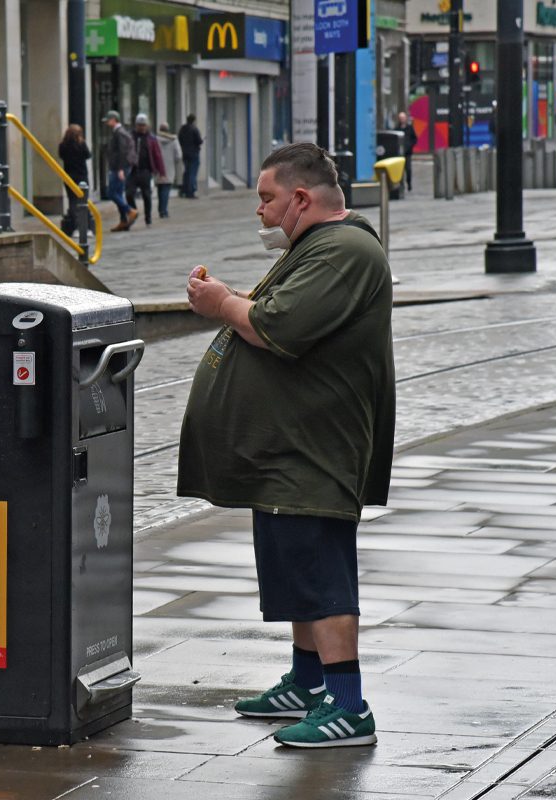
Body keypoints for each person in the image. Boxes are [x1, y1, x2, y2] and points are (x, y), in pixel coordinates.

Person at [179, 142, 395, 749]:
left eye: (268, 198)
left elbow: (280, 326)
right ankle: (306, 684)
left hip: (314, 449)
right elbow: (273, 312)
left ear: (301, 198)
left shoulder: (344, 249)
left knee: (322, 576)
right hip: (289, 451)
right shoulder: (317, 247)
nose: (261, 212)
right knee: (298, 574)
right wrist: (229, 302)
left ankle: (349, 708)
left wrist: (222, 303)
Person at [125, 113, 166, 226]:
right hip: (132, 170)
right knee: (129, 194)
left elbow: (157, 155)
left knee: (146, 195)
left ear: (147, 126)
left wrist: (161, 171)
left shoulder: (151, 138)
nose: (142, 127)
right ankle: (134, 211)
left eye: (143, 125)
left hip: (145, 170)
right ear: (136, 125)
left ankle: (148, 218)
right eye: (139, 125)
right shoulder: (130, 136)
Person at [103, 111, 138, 231]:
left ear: (114, 120)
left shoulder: (119, 133)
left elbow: (122, 152)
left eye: (108, 120)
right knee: (117, 194)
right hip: (119, 167)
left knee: (112, 193)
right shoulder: (120, 132)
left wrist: (121, 169)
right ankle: (123, 220)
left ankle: (129, 211)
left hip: (118, 168)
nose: (107, 123)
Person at [57, 124, 92, 237]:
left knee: (72, 202)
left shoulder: (63, 145)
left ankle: (76, 228)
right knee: (83, 202)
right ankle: (86, 228)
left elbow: (61, 156)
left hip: (69, 176)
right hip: (82, 176)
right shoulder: (81, 144)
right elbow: (88, 155)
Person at [157, 122, 183, 218]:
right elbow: (179, 155)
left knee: (160, 188)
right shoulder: (174, 140)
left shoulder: (156, 140)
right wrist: (174, 161)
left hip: (158, 168)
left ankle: (161, 209)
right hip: (169, 167)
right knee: (166, 189)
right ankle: (164, 211)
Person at [178, 113, 203, 198]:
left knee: (187, 171)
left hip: (185, 153)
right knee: (192, 172)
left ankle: (184, 189)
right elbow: (199, 141)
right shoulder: (194, 129)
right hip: (194, 153)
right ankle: (191, 191)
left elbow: (179, 139)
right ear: (194, 121)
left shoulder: (183, 129)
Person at [396, 111, 417, 191]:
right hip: (400, 153)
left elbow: (414, 138)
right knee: (400, 170)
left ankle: (409, 183)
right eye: (400, 118)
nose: (402, 119)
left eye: (403, 118)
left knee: (408, 169)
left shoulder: (410, 128)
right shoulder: (397, 128)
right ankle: (401, 184)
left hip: (408, 152)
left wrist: (410, 146)